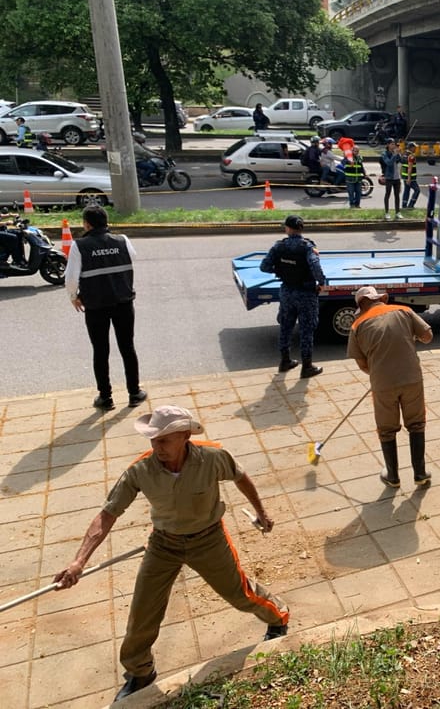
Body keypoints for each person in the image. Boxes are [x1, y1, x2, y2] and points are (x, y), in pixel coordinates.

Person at [52, 405, 289, 701]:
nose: (156, 446)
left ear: (185, 436)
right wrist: (79, 561)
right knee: (142, 612)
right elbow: (108, 514)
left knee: (239, 594)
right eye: (153, 440)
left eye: (163, 440)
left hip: (209, 538)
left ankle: (278, 618)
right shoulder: (141, 469)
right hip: (164, 544)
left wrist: (261, 513)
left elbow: (241, 477)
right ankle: (140, 672)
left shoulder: (213, 456)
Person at [347, 286, 434, 488]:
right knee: (416, 424)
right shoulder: (403, 311)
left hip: (383, 384)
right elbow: (428, 336)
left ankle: (393, 476)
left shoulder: (357, 325)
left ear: (361, 305)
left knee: (386, 429)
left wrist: (378, 374)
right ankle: (420, 474)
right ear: (379, 299)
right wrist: (413, 338)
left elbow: (361, 363)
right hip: (412, 378)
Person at [65, 206, 145, 411]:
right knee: (127, 347)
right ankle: (134, 393)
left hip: (95, 306)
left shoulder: (79, 245)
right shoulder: (122, 240)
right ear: (106, 221)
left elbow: (71, 278)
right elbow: (132, 258)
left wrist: (74, 297)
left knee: (100, 351)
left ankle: (106, 398)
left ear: (87, 224)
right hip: (124, 303)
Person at [259, 215, 325, 378]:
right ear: (301, 229)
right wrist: (321, 282)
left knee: (286, 327)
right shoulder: (308, 247)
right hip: (306, 294)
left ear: (287, 229)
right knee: (306, 329)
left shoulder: (279, 247)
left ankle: (285, 361)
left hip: (287, 292)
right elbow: (315, 266)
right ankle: (307, 366)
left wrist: (281, 270)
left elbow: (264, 267)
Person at [379, 140, 404, 220]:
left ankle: (398, 212)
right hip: (389, 177)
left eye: (394, 144)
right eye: (392, 144)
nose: (394, 146)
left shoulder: (395, 153)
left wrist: (400, 154)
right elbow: (389, 163)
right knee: (388, 194)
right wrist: (395, 154)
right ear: (388, 145)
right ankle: (387, 213)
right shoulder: (384, 154)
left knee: (397, 195)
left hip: (397, 177)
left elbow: (402, 161)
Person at [401, 142, 420, 208]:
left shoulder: (404, 154)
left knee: (406, 190)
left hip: (404, 176)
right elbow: (410, 167)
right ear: (411, 148)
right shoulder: (411, 156)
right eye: (415, 147)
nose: (415, 149)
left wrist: (403, 176)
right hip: (411, 177)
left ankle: (404, 205)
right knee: (417, 190)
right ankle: (411, 205)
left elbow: (402, 166)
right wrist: (409, 178)